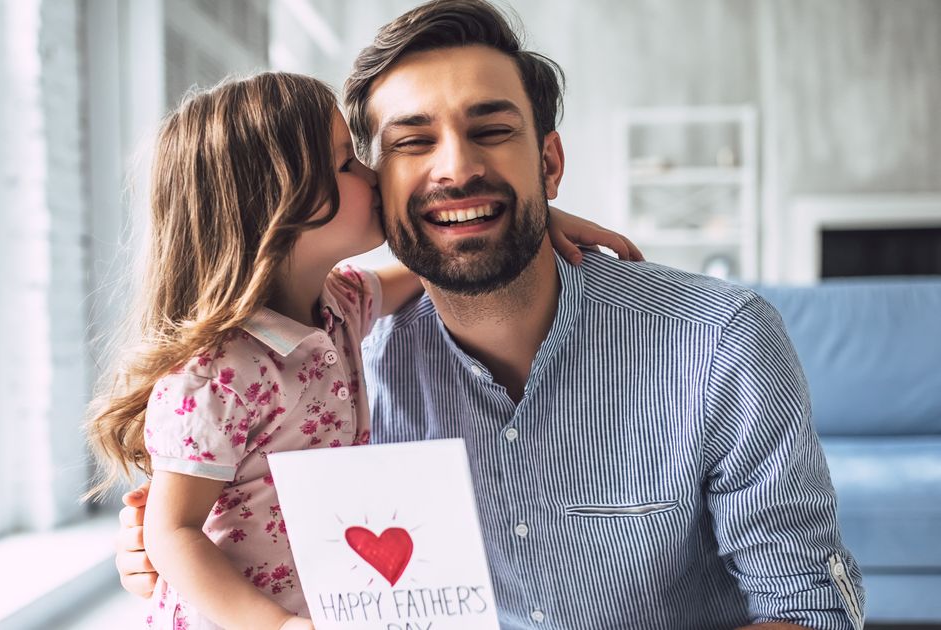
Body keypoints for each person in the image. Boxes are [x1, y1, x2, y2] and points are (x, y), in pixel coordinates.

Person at [115, 1, 867, 628]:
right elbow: (215, 523)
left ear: (548, 163)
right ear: (380, 186)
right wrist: (163, 549)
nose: (454, 169)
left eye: (491, 131)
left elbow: (805, 605)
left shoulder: (719, 340)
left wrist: (521, 218)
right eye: (411, 142)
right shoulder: (343, 353)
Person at [86, 70, 641, 630]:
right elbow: (171, 531)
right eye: (347, 162)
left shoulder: (342, 304)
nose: (373, 173)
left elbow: (432, 262)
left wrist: (521, 222)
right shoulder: (215, 377)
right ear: (279, 203)